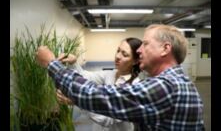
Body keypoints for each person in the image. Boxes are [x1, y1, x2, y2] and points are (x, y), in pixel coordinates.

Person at [36, 24, 205, 130]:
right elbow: (89, 81)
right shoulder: (175, 82)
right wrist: (73, 63)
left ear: (165, 49)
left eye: (145, 44)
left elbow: (101, 98)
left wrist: (52, 63)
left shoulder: (167, 86)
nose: (139, 51)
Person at [56, 37, 143, 131]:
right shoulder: (111, 73)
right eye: (118, 50)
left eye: (124, 54)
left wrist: (77, 101)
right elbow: (86, 76)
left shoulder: (134, 87)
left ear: (135, 61)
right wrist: (74, 62)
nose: (117, 56)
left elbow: (107, 120)